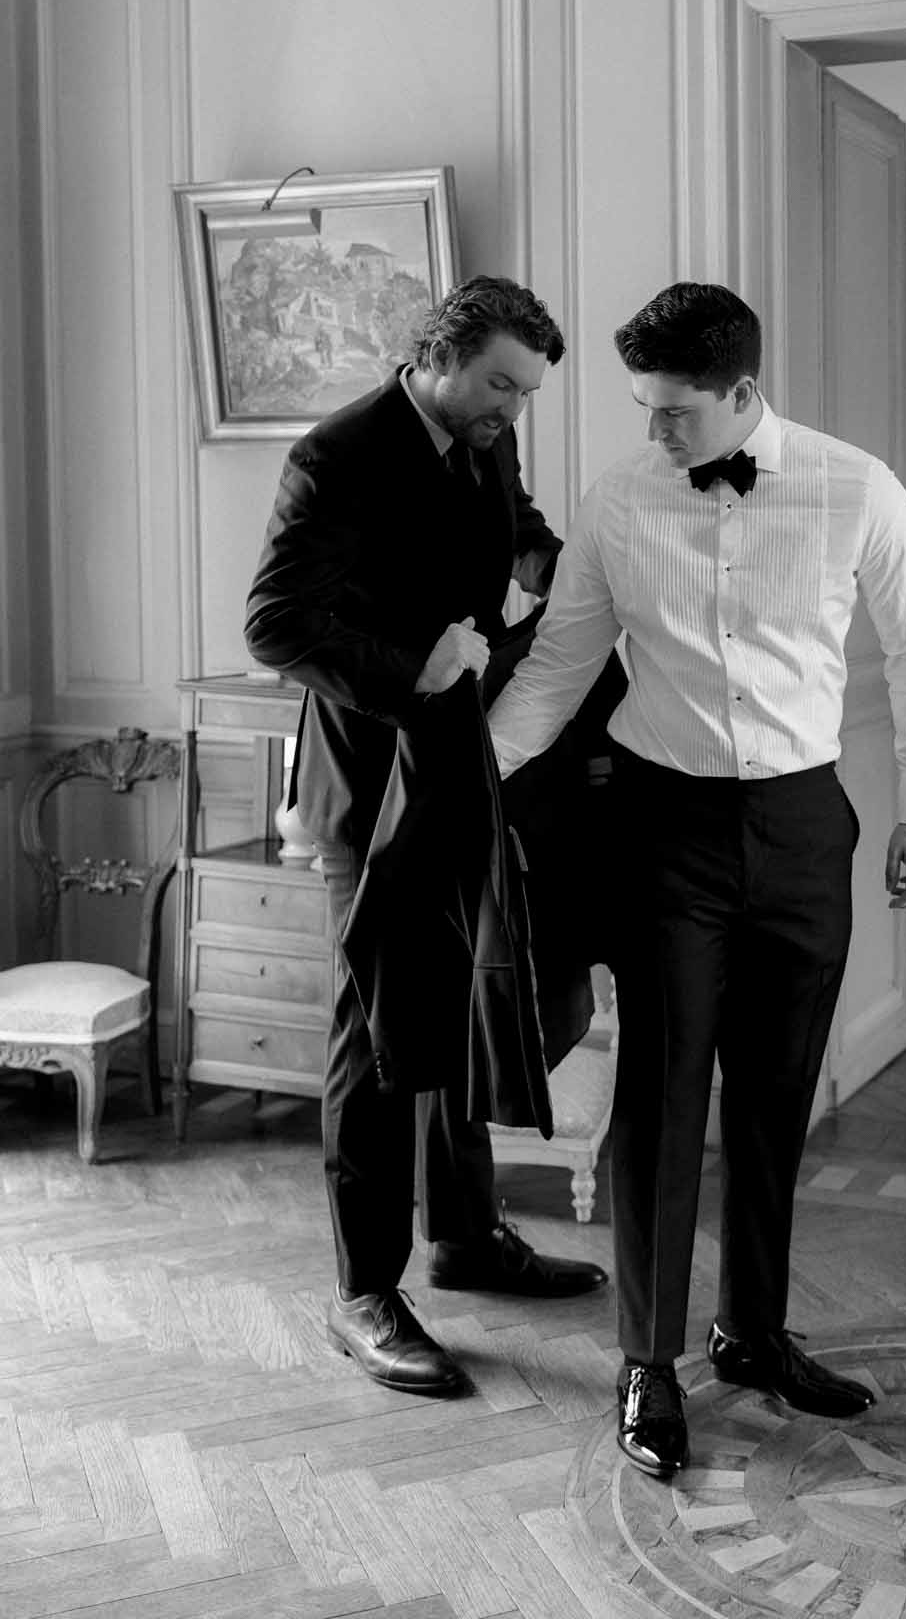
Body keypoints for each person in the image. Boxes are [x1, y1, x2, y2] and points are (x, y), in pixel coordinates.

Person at [487, 281, 906, 1476]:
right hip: (666, 827)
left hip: (805, 824)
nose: (654, 432)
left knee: (774, 1096)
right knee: (660, 1092)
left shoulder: (860, 487)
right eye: (645, 407)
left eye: (675, 412)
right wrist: (467, 784)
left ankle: (752, 1330)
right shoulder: (618, 498)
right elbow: (559, 666)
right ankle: (647, 1361)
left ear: (745, 394)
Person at [244, 275, 607, 1401]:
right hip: (375, 782)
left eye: (529, 390)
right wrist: (413, 668)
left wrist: (561, 571)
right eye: (500, 380)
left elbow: (526, 533)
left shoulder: (485, 437)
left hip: (471, 764)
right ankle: (365, 1290)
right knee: (378, 1022)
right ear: (438, 353)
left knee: (472, 996)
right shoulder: (337, 454)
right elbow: (277, 624)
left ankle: (465, 1233)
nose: (514, 406)